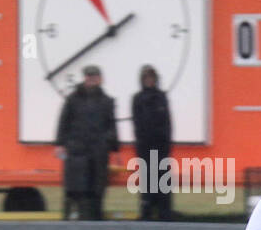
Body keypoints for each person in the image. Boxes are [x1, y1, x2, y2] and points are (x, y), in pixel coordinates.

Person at [55, 66, 119, 220]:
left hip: (98, 153)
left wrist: (111, 146)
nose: (92, 79)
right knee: (76, 189)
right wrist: (60, 144)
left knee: (97, 190)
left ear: (100, 79)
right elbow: (64, 122)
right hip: (78, 152)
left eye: (95, 76)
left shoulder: (107, 101)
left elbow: (111, 126)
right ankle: (74, 222)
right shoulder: (73, 99)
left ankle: (95, 221)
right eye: (89, 77)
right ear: (85, 78)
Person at [131, 65, 173, 221]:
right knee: (147, 184)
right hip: (145, 149)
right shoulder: (138, 99)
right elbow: (137, 125)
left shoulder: (161, 97)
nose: (149, 81)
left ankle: (165, 214)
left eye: (151, 78)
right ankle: (146, 213)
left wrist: (166, 146)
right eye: (146, 78)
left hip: (161, 149)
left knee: (163, 183)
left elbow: (168, 124)